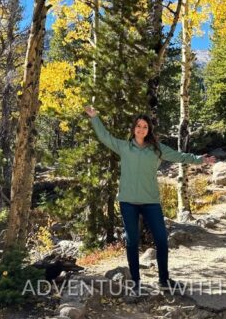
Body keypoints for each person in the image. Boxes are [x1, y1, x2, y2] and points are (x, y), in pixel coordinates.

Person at [84, 105, 216, 295]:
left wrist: (199, 159)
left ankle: (164, 280)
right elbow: (105, 137)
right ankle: (135, 283)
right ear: (133, 128)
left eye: (145, 126)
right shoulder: (124, 146)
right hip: (128, 201)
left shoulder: (157, 149)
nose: (141, 129)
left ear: (149, 130)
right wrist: (95, 117)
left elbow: (179, 156)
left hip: (150, 201)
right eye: (138, 126)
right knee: (131, 241)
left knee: (162, 240)